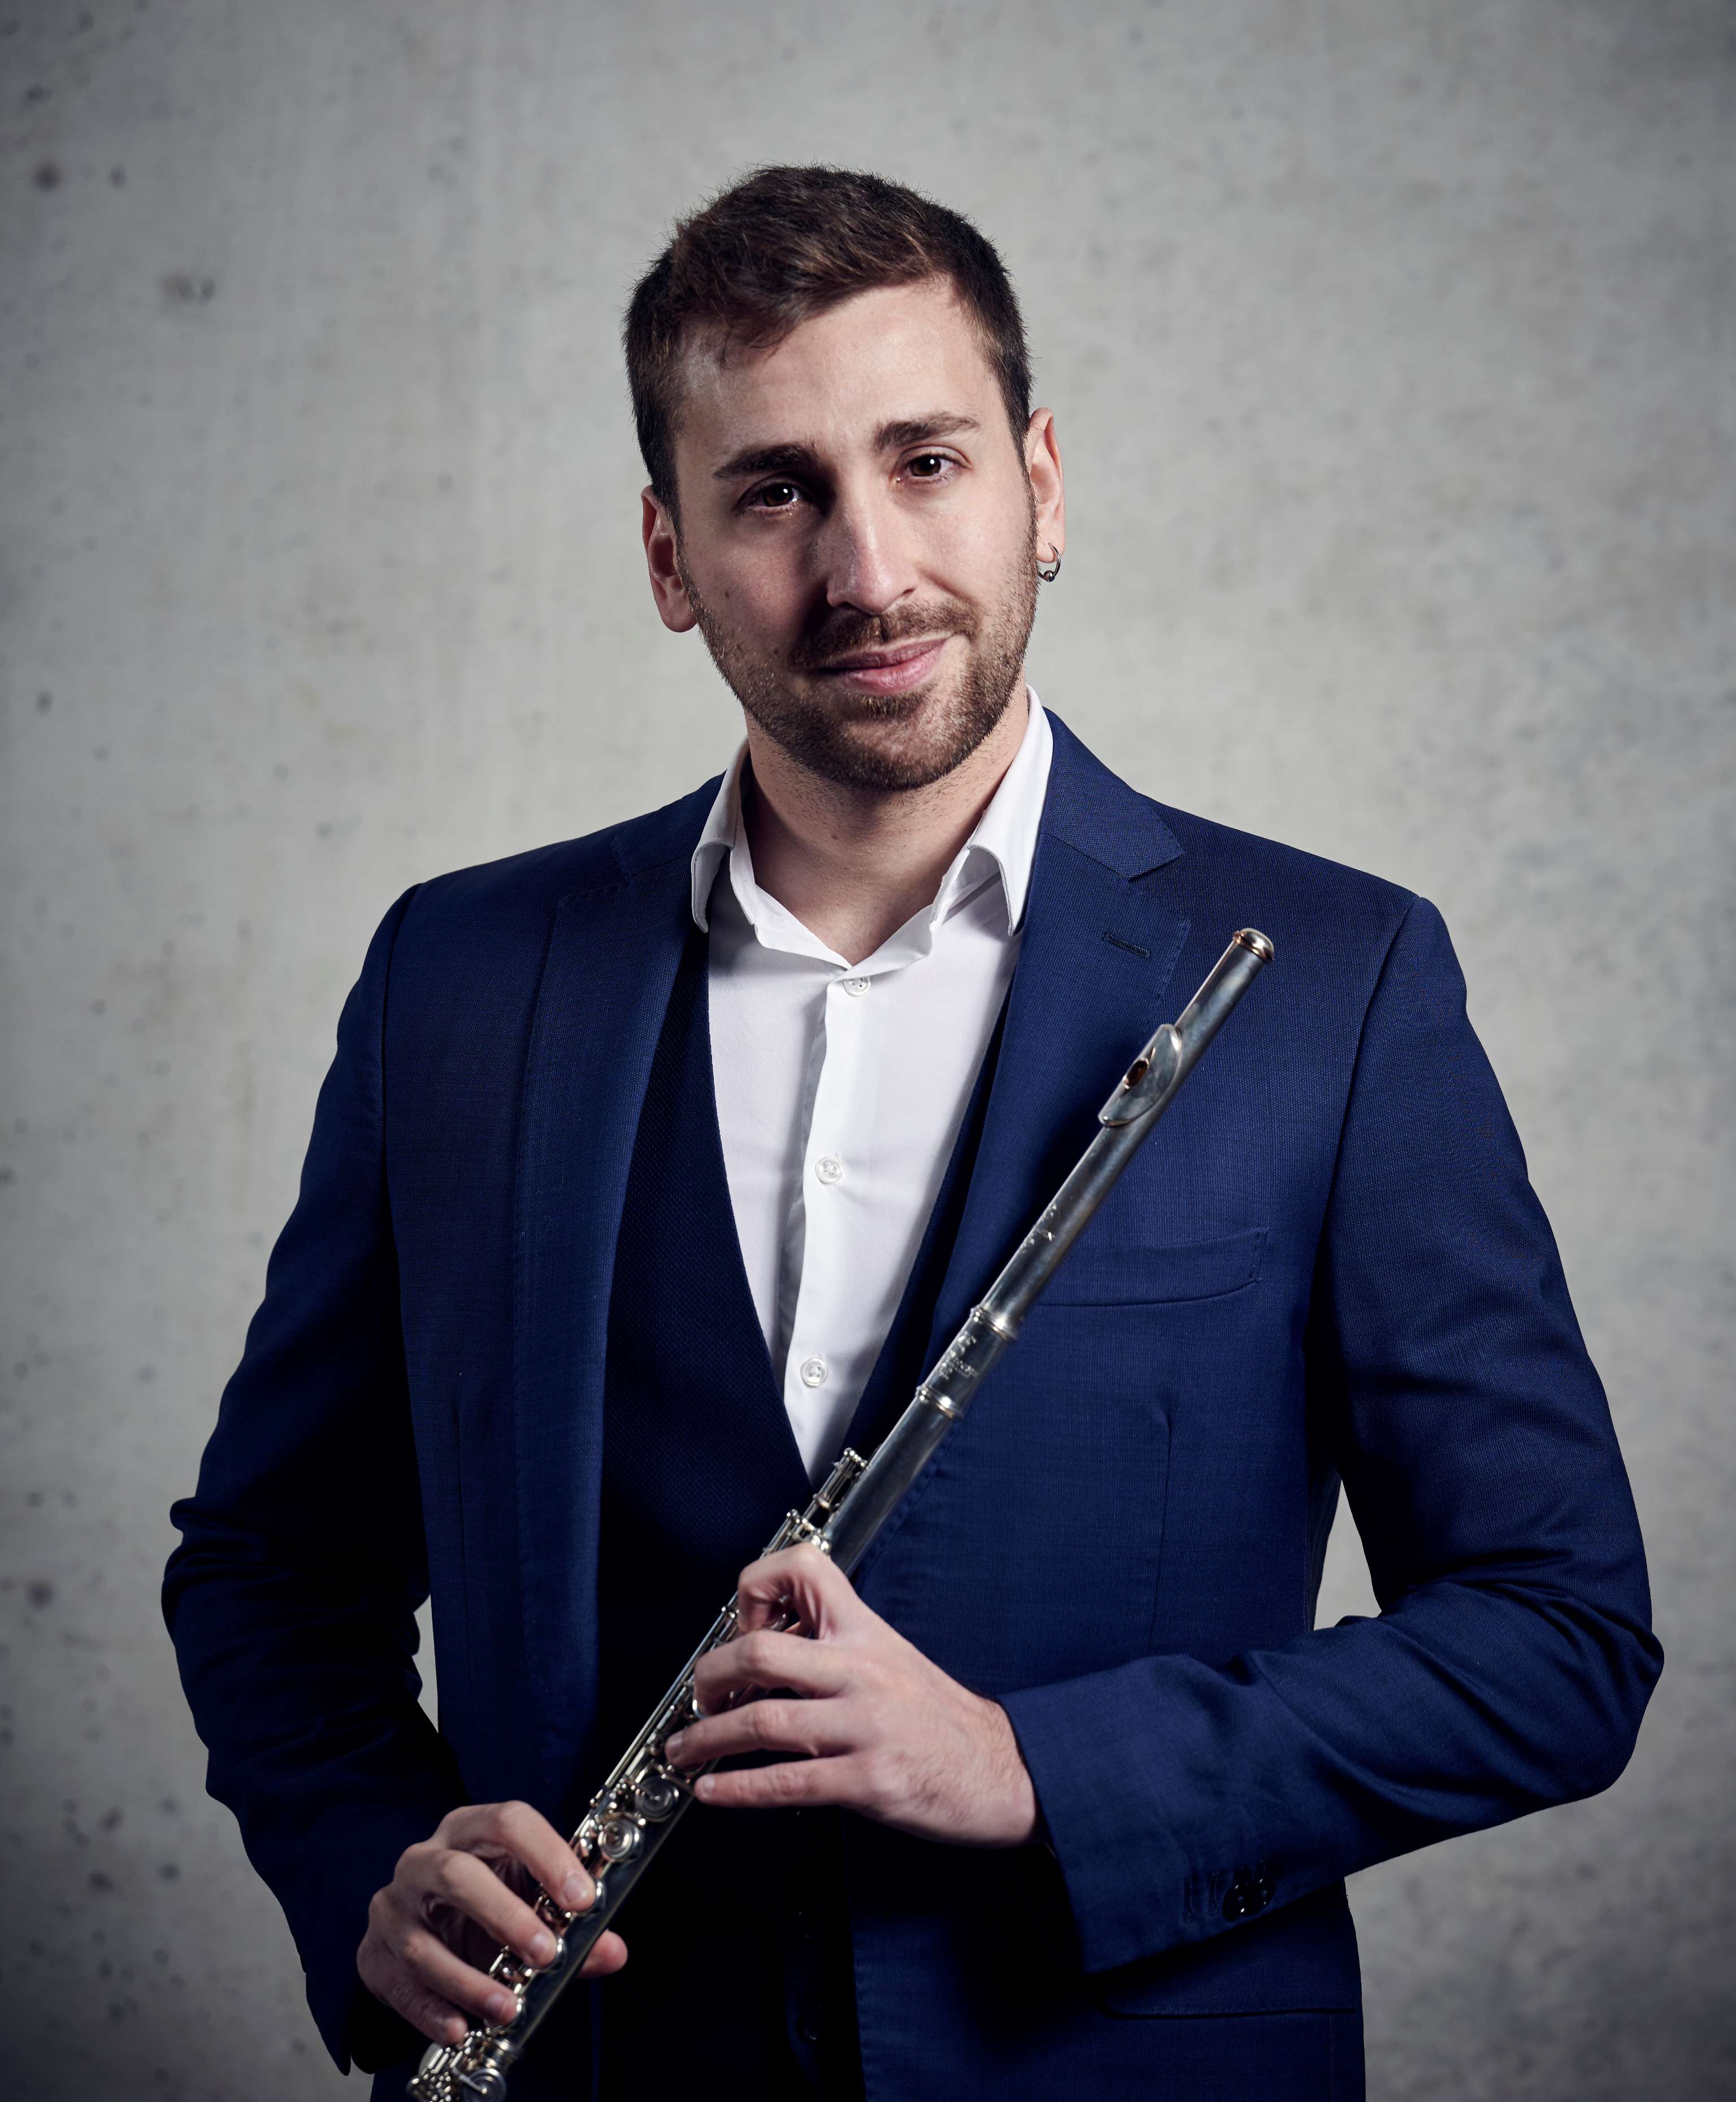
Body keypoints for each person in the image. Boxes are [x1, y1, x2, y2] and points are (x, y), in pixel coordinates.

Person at [163, 166, 1660, 2102]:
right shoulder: (458, 982)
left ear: (1042, 485)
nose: (867, 570)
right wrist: (370, 1865)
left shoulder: (1337, 986)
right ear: (668, 555)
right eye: (774, 492)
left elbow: (1557, 1636)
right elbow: (273, 1566)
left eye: (929, 463)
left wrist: (1038, 1770)